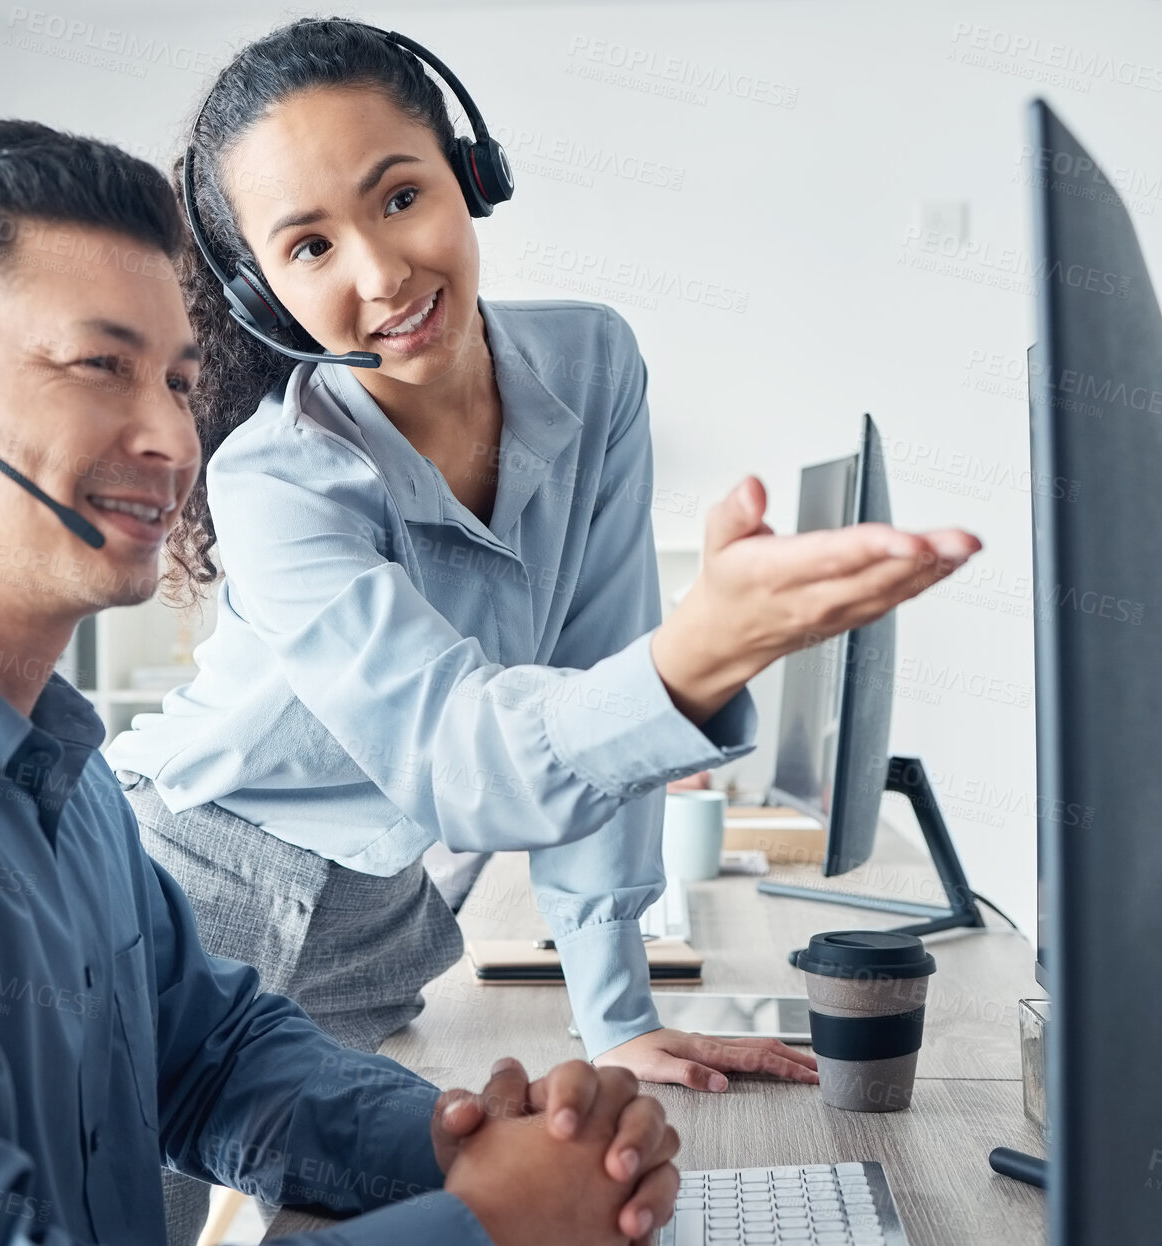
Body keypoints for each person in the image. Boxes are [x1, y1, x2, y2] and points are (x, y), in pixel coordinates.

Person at [0, 115, 685, 1246]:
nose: (174, 433)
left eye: (178, 377)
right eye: (101, 365)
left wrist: (466, 1139)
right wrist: (485, 1224)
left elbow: (213, 1059)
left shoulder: (60, 784)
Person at [106, 22, 978, 1236]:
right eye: (310, 245)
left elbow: (591, 665)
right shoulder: (279, 477)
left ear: (471, 172)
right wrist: (696, 659)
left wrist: (615, 1010)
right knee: (116, 1221)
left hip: (381, 932)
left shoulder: (593, 362)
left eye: (400, 195)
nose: (381, 274)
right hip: (194, 891)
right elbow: (462, 757)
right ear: (262, 288)